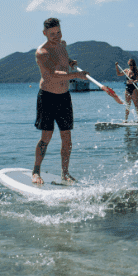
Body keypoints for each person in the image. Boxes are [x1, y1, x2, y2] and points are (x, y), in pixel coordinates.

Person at [33, 18, 88, 185]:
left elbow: (63, 60)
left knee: (67, 138)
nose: (56, 36)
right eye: (52, 34)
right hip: (48, 97)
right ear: (44, 33)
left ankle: (65, 173)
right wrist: (76, 75)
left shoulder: (62, 45)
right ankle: (36, 171)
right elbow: (53, 74)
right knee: (46, 137)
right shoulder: (42, 52)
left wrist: (70, 62)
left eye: (58, 32)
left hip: (64, 96)